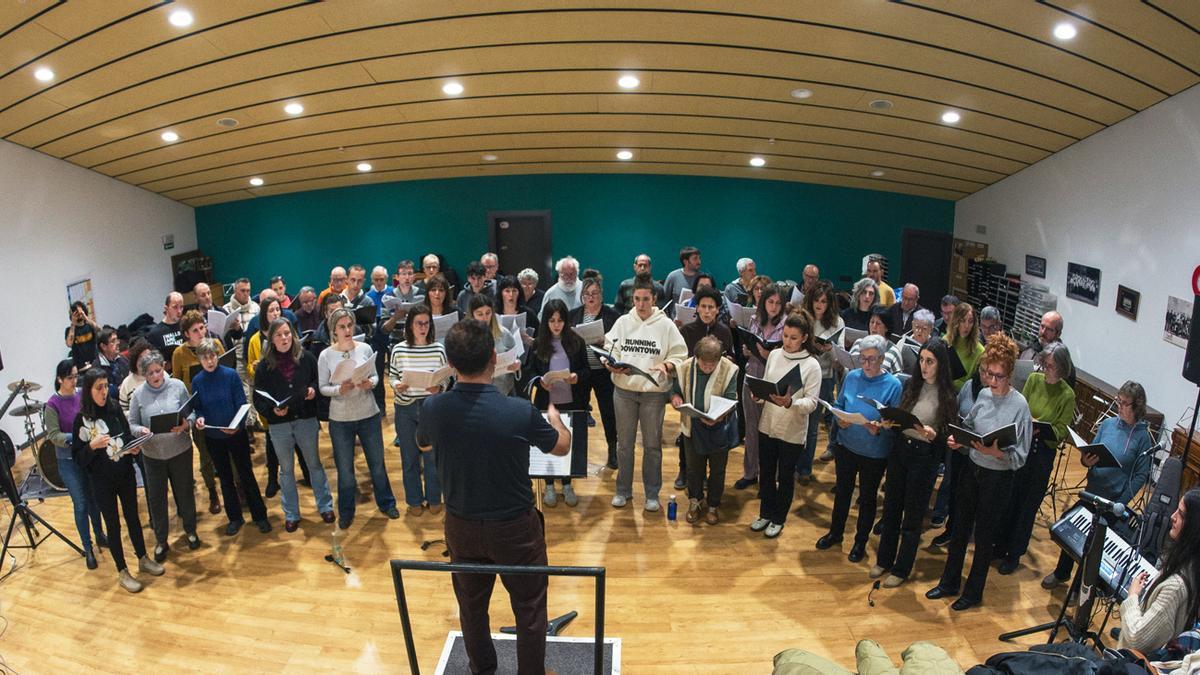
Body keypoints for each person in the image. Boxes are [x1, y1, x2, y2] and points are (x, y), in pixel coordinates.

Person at [415, 319, 571, 675]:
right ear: (493, 358)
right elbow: (561, 447)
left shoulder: (433, 408)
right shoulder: (519, 410)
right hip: (515, 529)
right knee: (530, 609)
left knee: (471, 608)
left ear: (450, 364)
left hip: (461, 525)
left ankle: (482, 670)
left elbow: (422, 444)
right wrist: (556, 421)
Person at [927, 333, 1031, 611]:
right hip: (972, 470)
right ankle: (949, 582)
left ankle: (973, 593)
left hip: (997, 478)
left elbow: (1021, 457)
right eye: (988, 374)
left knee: (984, 538)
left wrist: (997, 453)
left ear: (1010, 373)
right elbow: (969, 426)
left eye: (998, 376)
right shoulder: (983, 394)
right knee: (959, 528)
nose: (992, 381)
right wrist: (958, 439)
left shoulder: (1020, 406)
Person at [1043, 381, 1153, 589]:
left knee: (1091, 545)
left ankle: (1079, 588)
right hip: (1092, 492)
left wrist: (1121, 501)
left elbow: (1140, 475)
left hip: (1112, 501)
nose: (1119, 406)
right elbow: (1090, 453)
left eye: (1124, 403)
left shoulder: (1143, 438)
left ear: (1137, 406)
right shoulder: (1108, 424)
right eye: (1118, 401)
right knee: (1070, 529)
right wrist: (1086, 461)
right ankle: (1061, 573)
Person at [872, 338, 957, 588]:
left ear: (940, 364)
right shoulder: (911, 384)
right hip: (901, 450)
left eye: (930, 361)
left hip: (924, 457)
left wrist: (934, 435)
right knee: (891, 508)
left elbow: (948, 436)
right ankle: (884, 560)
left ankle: (901, 568)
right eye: (921, 360)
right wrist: (890, 422)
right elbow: (903, 417)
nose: (924, 366)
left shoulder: (948, 395)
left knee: (912, 516)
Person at [72, 367, 164, 592]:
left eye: (106, 386)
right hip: (101, 481)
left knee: (133, 517)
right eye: (99, 388)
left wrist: (133, 448)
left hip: (124, 473)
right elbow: (78, 458)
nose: (104, 391)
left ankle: (142, 558)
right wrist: (92, 446)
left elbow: (126, 435)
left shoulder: (113, 407)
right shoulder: (81, 420)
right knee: (113, 525)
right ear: (88, 390)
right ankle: (122, 570)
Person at [817, 334, 902, 561]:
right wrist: (839, 418)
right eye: (863, 358)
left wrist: (881, 428)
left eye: (872, 359)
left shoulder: (893, 385)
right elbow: (839, 404)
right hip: (847, 446)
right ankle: (835, 533)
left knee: (867, 498)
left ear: (882, 359)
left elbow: (895, 423)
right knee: (842, 493)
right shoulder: (852, 376)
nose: (866, 364)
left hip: (874, 453)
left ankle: (860, 542)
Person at [605, 279, 687, 511]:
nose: (641, 304)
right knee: (624, 445)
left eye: (646, 299)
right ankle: (623, 490)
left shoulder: (666, 325)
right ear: (632, 299)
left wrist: (667, 365)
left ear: (654, 299)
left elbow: (680, 354)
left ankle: (652, 494)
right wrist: (610, 364)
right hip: (624, 392)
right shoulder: (623, 322)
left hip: (653, 394)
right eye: (637, 299)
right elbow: (610, 349)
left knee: (652, 446)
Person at [994, 343, 1076, 575]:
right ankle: (999, 545)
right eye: (1045, 364)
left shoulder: (1067, 394)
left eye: (1051, 366)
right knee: (1010, 498)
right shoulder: (1033, 380)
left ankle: (1014, 553)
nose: (1046, 369)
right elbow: (1020, 407)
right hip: (1022, 445)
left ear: (1062, 368)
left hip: (1042, 453)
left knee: (1027, 505)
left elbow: (1061, 431)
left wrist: (1041, 427)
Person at [317, 308, 400, 529]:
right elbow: (323, 387)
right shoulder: (326, 355)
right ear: (334, 330)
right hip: (340, 419)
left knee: (377, 464)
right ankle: (346, 511)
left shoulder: (364, 348)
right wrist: (339, 390)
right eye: (342, 326)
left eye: (349, 325)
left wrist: (370, 383)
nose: (347, 330)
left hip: (368, 414)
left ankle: (387, 503)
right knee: (345, 471)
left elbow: (375, 376)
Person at [253, 317, 334, 531]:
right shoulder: (264, 367)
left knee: (314, 464)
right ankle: (291, 514)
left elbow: (317, 380)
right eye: (279, 335)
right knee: (286, 470)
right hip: (279, 425)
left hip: (305, 419)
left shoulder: (306, 358)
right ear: (271, 339)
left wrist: (313, 390)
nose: (284, 338)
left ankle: (325, 506)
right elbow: (258, 399)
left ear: (293, 335)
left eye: (287, 333)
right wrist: (271, 410)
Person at [748, 313, 822, 538]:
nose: (788, 342)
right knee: (766, 473)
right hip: (768, 424)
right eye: (786, 336)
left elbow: (812, 403)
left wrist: (791, 403)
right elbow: (768, 386)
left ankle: (779, 518)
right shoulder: (775, 355)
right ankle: (765, 513)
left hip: (792, 430)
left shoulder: (812, 365)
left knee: (786, 477)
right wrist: (758, 396)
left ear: (804, 338)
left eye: (793, 338)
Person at [192, 338, 272, 536]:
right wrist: (200, 418)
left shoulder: (230, 375)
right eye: (205, 358)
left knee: (246, 474)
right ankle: (234, 518)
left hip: (236, 434)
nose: (209, 361)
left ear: (217, 356)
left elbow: (241, 403)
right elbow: (198, 408)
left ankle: (260, 515)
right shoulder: (197, 381)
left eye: (212, 356)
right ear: (200, 359)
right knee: (225, 478)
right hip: (214, 436)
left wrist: (237, 425)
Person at [127, 350, 200, 562]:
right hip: (153, 456)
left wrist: (186, 425)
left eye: (158, 370)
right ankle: (161, 540)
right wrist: (140, 430)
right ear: (144, 375)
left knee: (185, 493)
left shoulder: (177, 386)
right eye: (150, 373)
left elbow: (191, 413)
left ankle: (191, 531)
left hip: (180, 451)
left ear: (164, 368)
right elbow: (132, 423)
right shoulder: (138, 394)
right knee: (157, 499)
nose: (155, 376)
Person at [1115, 488, 1200, 655]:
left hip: (1131, 661)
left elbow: (1137, 639)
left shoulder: (1175, 588)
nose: (1173, 516)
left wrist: (1132, 597)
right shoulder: (1191, 564)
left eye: (1181, 515)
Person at [525, 299, 590, 508]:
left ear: (566, 321)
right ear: (546, 321)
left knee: (568, 442)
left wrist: (576, 377)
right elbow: (530, 372)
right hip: (547, 403)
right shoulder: (538, 344)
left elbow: (587, 371)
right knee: (549, 443)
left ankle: (567, 483)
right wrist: (540, 382)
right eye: (552, 320)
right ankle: (549, 485)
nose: (556, 325)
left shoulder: (576, 342)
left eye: (560, 320)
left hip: (571, 401)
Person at [43, 360, 106, 569]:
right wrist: (78, 436)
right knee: (80, 504)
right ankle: (87, 548)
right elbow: (54, 436)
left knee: (94, 499)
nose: (74, 380)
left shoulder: (81, 394)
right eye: (70, 377)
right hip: (69, 461)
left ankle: (99, 534)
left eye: (76, 376)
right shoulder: (52, 405)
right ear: (60, 379)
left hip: (87, 456)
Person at [671, 336, 739, 525]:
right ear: (696, 357)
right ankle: (695, 501)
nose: (708, 368)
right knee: (694, 469)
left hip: (719, 427)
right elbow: (675, 390)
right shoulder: (685, 367)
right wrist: (675, 397)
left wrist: (719, 415)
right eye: (704, 364)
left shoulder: (729, 369)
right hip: (692, 426)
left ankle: (713, 505)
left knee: (717, 470)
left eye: (712, 365)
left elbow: (731, 398)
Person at [389, 304, 448, 517]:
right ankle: (414, 500)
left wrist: (439, 387)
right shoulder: (399, 349)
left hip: (430, 408)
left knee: (432, 457)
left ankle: (434, 498)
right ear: (410, 326)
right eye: (418, 323)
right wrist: (397, 385)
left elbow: (445, 378)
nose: (423, 327)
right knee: (409, 457)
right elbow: (392, 376)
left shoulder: (438, 349)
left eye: (426, 323)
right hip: (405, 407)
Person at [169, 310, 222, 515]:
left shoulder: (214, 344)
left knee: (227, 450)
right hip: (198, 408)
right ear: (186, 334)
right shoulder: (179, 354)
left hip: (219, 403)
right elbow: (176, 384)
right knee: (205, 454)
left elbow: (225, 366)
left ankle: (237, 486)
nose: (201, 333)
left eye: (202, 328)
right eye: (195, 330)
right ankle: (212, 492)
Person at [734, 284, 785, 491]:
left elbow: (787, 356)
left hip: (772, 382)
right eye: (770, 302)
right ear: (763, 302)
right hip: (752, 377)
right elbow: (750, 346)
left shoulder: (786, 324)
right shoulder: (755, 319)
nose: (773, 307)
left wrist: (768, 355)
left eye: (778, 303)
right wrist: (748, 350)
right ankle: (750, 473)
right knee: (751, 429)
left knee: (771, 431)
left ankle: (769, 477)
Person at [569, 273, 621, 469]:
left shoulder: (612, 315)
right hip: (581, 371)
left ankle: (612, 450)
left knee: (608, 412)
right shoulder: (573, 314)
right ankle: (577, 454)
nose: (590, 297)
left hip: (603, 371)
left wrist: (604, 341)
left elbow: (619, 342)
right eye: (587, 294)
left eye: (594, 293)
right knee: (579, 411)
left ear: (601, 295)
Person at [801, 281, 845, 474]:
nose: (819, 305)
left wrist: (830, 349)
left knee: (812, 427)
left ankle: (805, 469)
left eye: (824, 301)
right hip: (802, 374)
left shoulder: (837, 322)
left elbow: (840, 354)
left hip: (824, 377)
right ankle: (793, 465)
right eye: (816, 300)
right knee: (797, 423)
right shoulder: (803, 317)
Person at [467, 294, 522, 396]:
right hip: (475, 392)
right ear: (472, 315)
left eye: (488, 313)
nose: (485, 318)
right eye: (480, 314)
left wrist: (517, 364)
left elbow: (516, 358)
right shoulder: (465, 337)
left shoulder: (504, 333)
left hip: (503, 390)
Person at [679, 286, 734, 358]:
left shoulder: (725, 331)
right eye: (703, 306)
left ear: (717, 309)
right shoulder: (686, 331)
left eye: (711, 307)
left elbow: (731, 357)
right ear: (697, 308)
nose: (706, 311)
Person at [849, 306, 902, 374]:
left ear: (886, 328)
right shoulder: (858, 343)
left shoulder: (894, 351)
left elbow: (898, 377)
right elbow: (848, 368)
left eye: (878, 323)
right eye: (872, 322)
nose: (874, 326)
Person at [946, 302, 984, 391]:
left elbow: (975, 387)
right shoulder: (945, 341)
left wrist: (950, 381)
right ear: (956, 322)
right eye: (963, 321)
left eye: (970, 321)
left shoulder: (980, 351)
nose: (966, 326)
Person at [145, 292, 186, 369]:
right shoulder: (155, 333)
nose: (179, 311)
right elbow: (156, 363)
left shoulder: (186, 326)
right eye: (175, 307)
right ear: (166, 308)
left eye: (181, 307)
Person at [496, 275, 539, 345]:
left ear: (519, 293)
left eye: (514, 291)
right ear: (501, 293)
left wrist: (530, 341)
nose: (511, 294)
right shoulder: (494, 313)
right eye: (507, 291)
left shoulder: (529, 314)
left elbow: (541, 339)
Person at [662, 246, 703, 311]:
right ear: (685, 262)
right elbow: (664, 301)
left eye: (699, 258)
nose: (699, 261)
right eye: (695, 259)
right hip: (676, 317)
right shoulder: (673, 277)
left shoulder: (703, 278)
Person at [65, 301, 100, 369]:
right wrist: (73, 323)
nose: (78, 314)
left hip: (95, 363)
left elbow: (99, 331)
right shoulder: (69, 330)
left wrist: (85, 317)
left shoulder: (90, 326)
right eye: (75, 313)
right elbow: (69, 344)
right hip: (80, 367)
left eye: (79, 312)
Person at [95, 327, 130, 394]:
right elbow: (101, 391)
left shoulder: (122, 359)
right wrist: (119, 389)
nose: (118, 343)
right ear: (103, 346)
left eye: (117, 340)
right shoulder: (97, 368)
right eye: (113, 341)